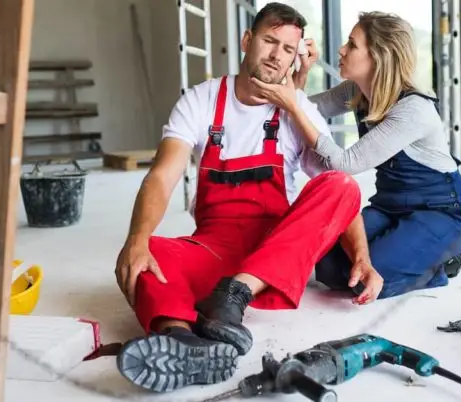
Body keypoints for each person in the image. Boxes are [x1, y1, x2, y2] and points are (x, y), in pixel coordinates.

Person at [113, 2, 383, 394]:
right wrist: (136, 240)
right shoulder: (201, 100)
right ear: (247, 40)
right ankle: (182, 342)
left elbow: (336, 194)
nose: (276, 55)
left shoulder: (297, 111)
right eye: (269, 41)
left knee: (341, 184)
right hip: (214, 248)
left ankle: (234, 295)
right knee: (146, 254)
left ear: (295, 57)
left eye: (288, 49)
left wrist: (362, 257)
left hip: (274, 251)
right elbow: (163, 174)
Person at [251, 11, 461, 300]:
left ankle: (441, 264)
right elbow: (307, 108)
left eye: (352, 45)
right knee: (328, 268)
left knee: (366, 280)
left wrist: (293, 107)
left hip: (439, 212)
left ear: (379, 57)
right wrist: (301, 72)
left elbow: (344, 164)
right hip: (388, 206)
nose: (341, 50)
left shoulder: (413, 109)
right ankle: (415, 253)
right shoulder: (358, 90)